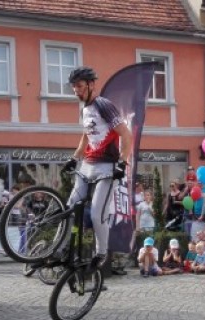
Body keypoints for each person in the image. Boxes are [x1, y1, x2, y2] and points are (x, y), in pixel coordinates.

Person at [61, 66, 131, 271]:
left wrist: (123, 161)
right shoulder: (84, 109)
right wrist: (75, 158)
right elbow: (86, 135)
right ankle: (61, 248)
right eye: (74, 87)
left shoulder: (103, 105)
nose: (76, 91)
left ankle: (101, 253)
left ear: (91, 85)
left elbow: (126, 135)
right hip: (87, 166)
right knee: (70, 208)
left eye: (80, 86)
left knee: (96, 213)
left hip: (106, 168)